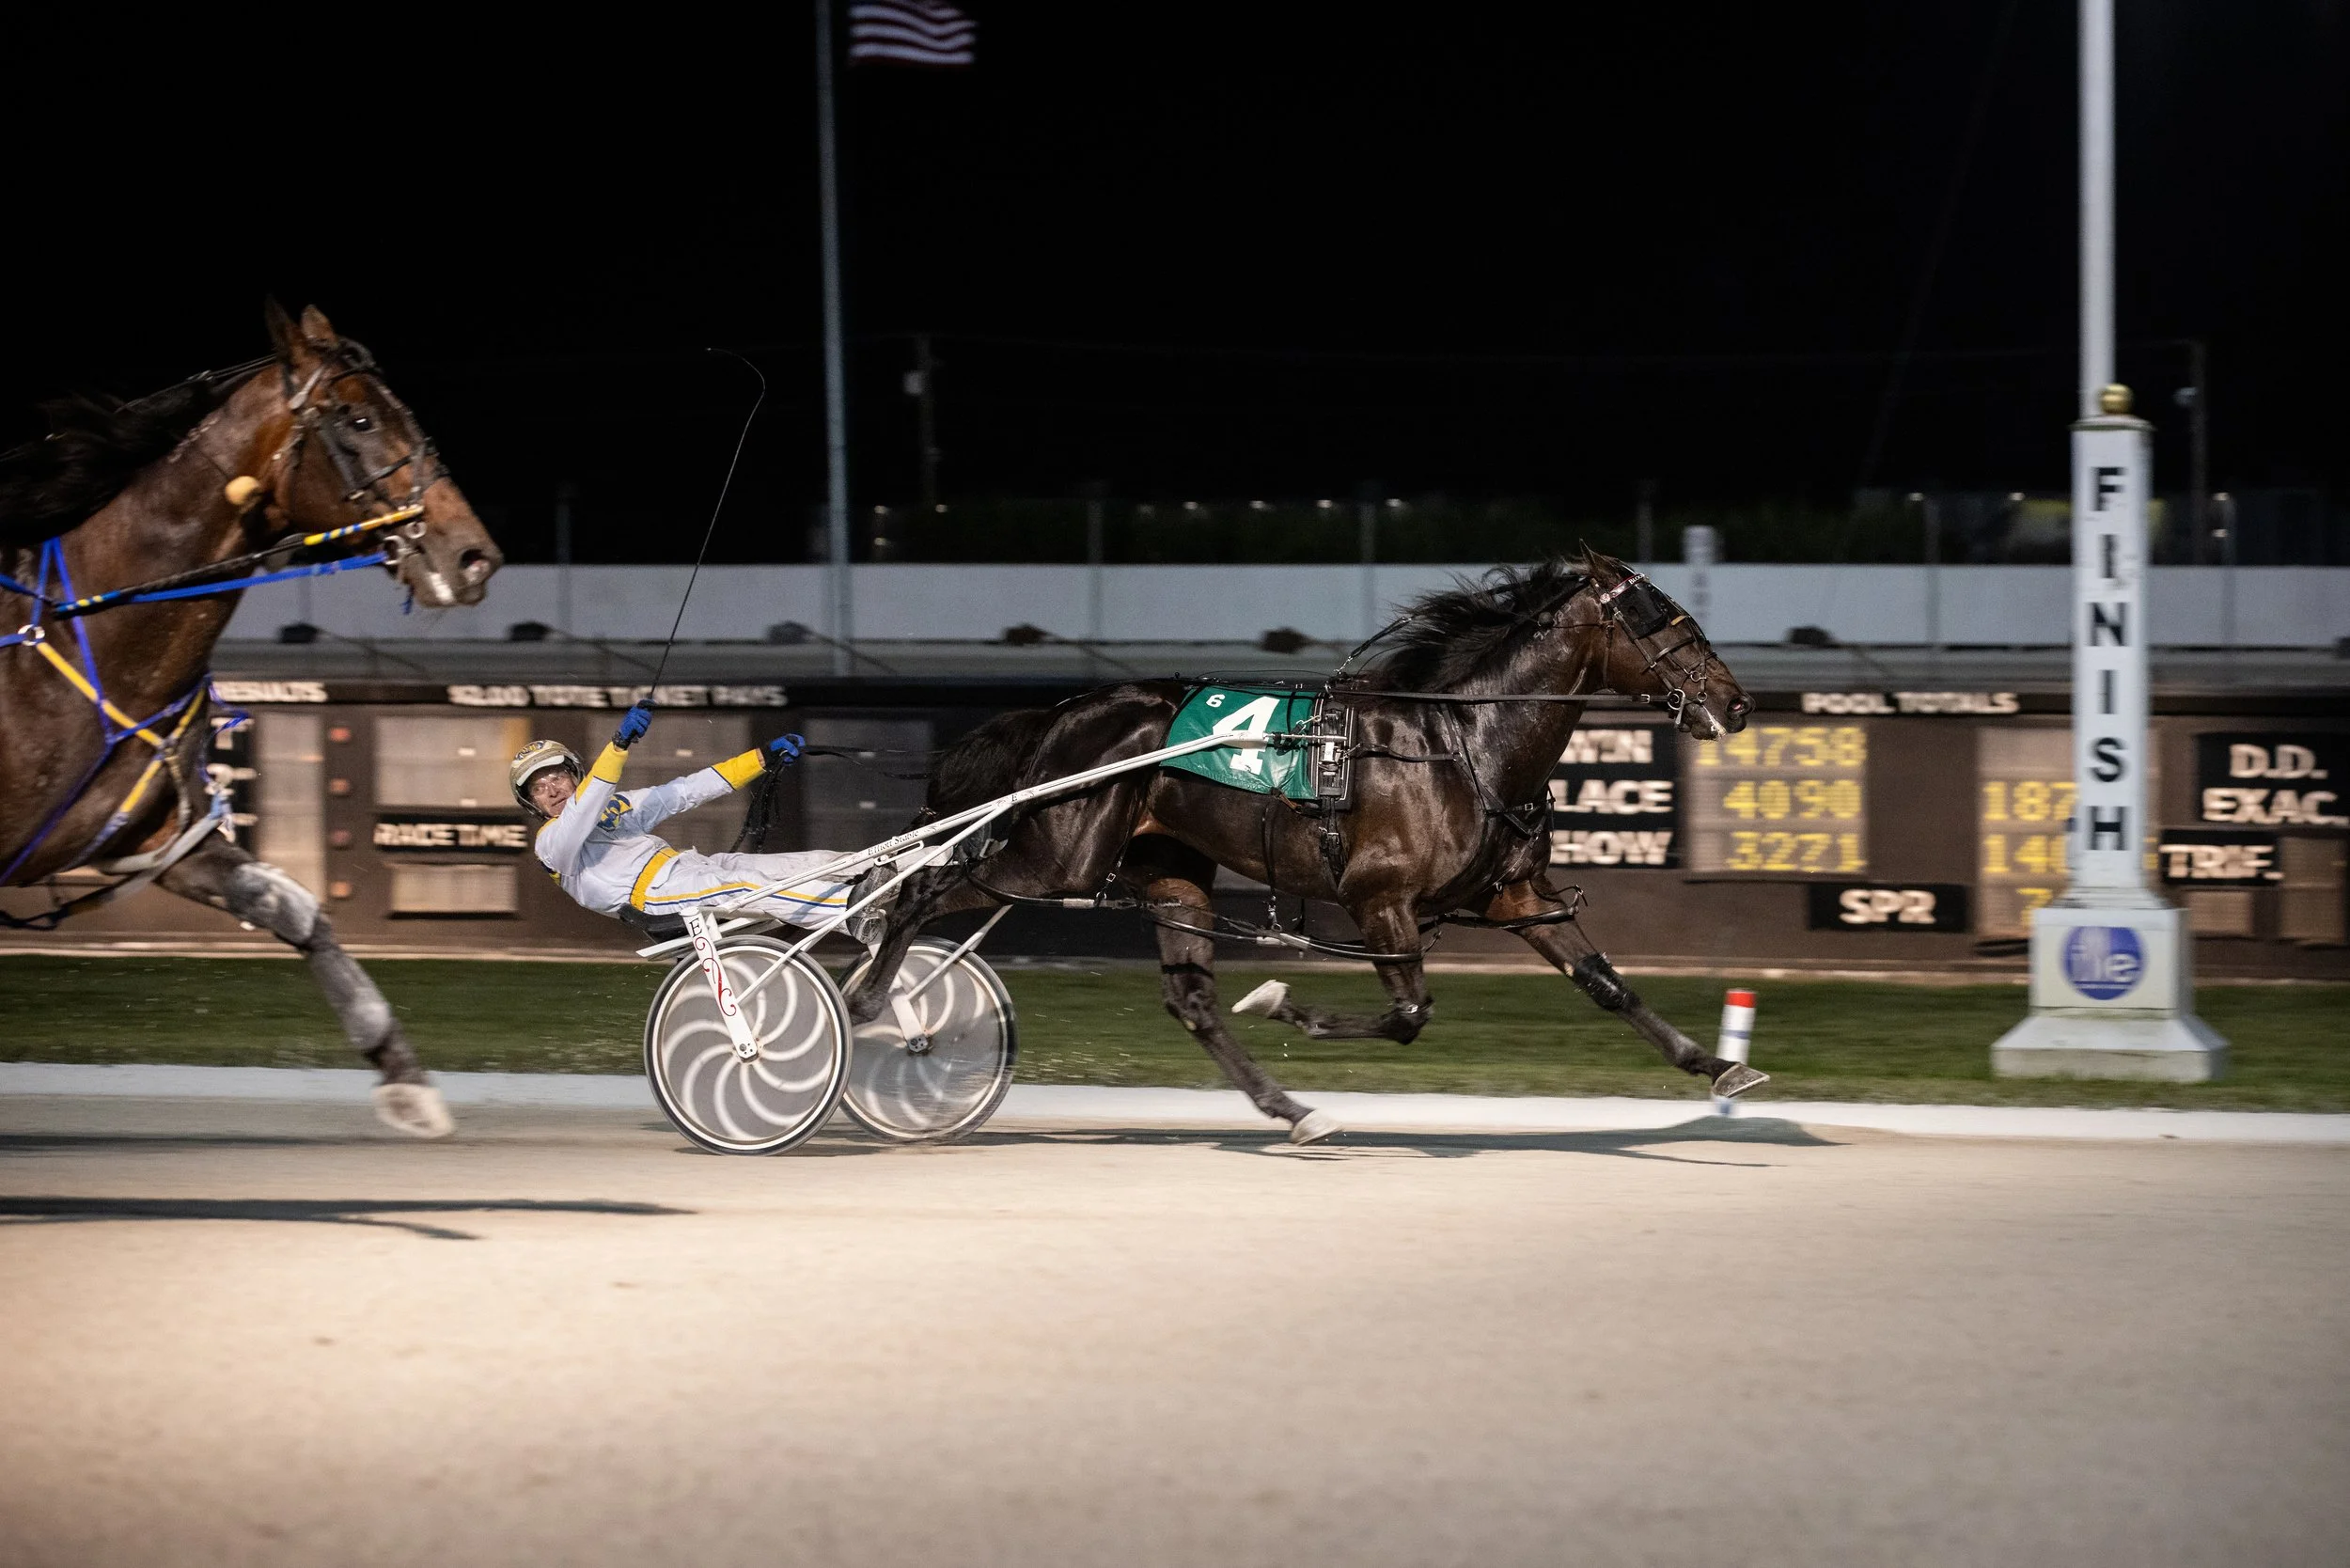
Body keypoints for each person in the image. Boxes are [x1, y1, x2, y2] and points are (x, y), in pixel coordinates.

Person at [511, 702, 881, 933]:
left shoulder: (616, 806)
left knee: (805, 864)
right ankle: (852, 911)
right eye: (539, 788)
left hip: (691, 869)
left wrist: (762, 757)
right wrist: (618, 746)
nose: (553, 790)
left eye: (557, 777)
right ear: (533, 804)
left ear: (574, 774)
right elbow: (580, 813)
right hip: (656, 898)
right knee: (748, 884)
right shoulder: (549, 844)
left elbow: (687, 790)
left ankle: (897, 871)